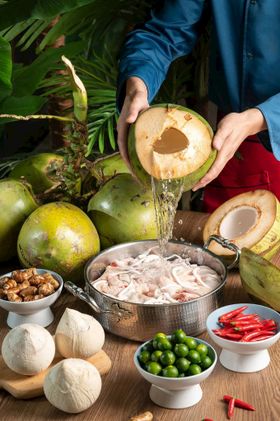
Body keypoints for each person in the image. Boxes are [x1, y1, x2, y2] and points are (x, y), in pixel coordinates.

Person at [116, 0, 280, 212]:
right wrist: (137, 85)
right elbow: (164, 32)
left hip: (253, 130)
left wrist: (260, 118)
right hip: (235, 141)